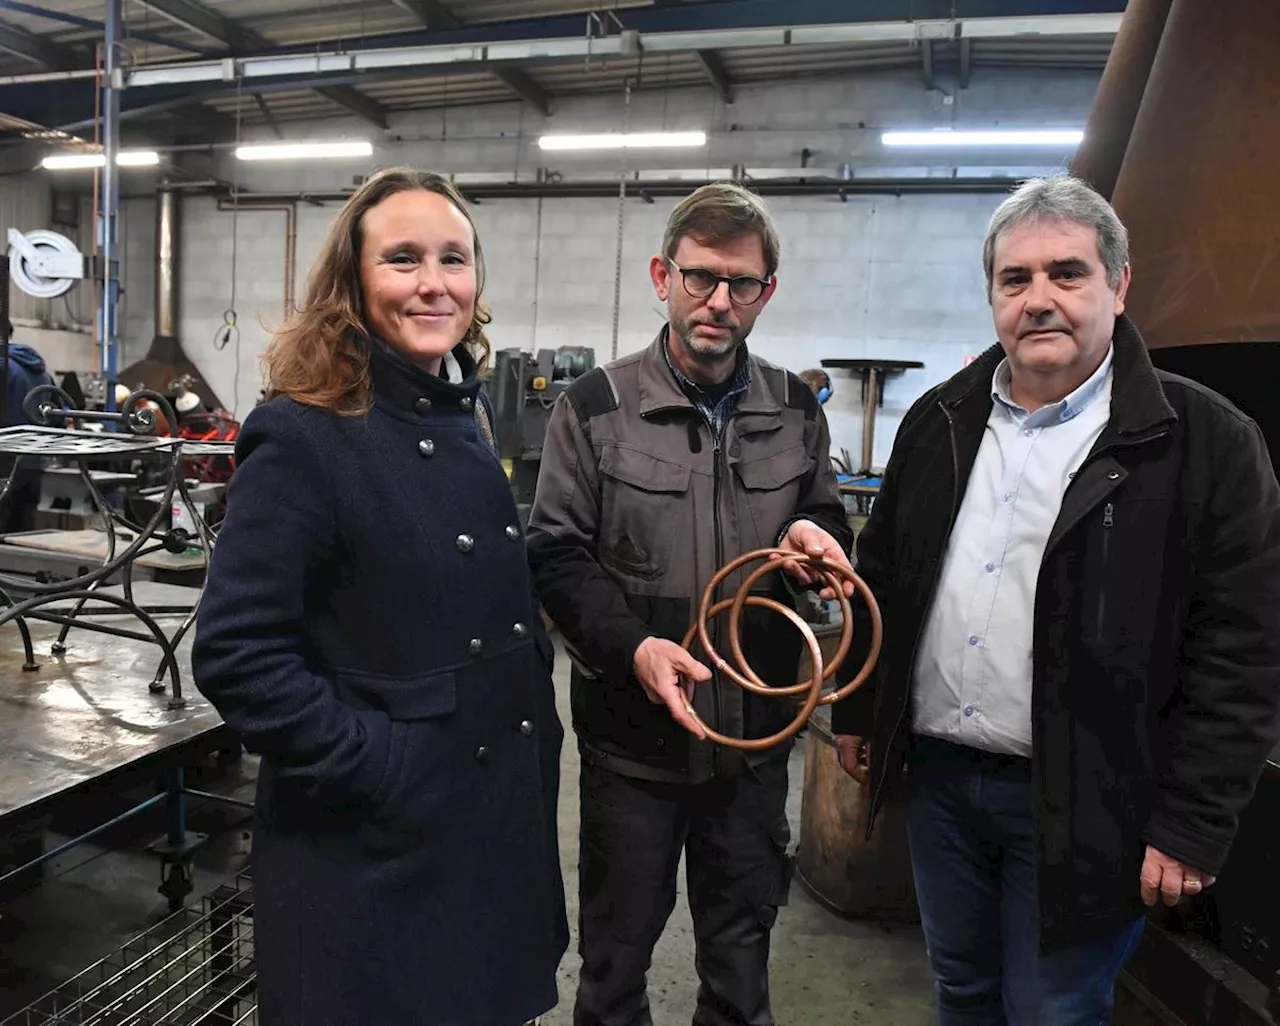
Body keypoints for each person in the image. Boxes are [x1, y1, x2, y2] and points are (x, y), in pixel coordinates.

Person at [831, 174, 1280, 1024]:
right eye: (1015, 279)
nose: (1039, 299)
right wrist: (861, 710)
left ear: (1119, 284)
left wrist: (1192, 821)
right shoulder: (940, 420)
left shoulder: (1205, 440)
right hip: (941, 787)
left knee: (1055, 1010)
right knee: (962, 990)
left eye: (1066, 274)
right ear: (993, 295)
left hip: (1088, 802)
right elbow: (883, 577)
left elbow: (1244, 650)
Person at [192, 167, 568, 1026]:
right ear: (353, 284)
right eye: (403, 259)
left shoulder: (459, 417)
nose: (436, 283)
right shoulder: (304, 432)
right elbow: (237, 652)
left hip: (484, 843)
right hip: (373, 862)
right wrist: (382, 763)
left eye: (454, 259)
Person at [527, 181, 855, 1026]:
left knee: (741, 971)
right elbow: (556, 556)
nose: (718, 301)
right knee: (613, 971)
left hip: (751, 750)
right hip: (633, 752)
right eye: (700, 277)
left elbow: (820, 510)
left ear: (766, 293)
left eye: (741, 283)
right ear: (660, 276)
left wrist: (821, 540)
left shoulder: (794, 409)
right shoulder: (592, 409)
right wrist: (634, 649)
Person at [0, 324, 55, 533]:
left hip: (4, 463)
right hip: (33, 463)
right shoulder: (41, 372)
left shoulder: (4, 367)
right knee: (22, 533)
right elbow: (57, 415)